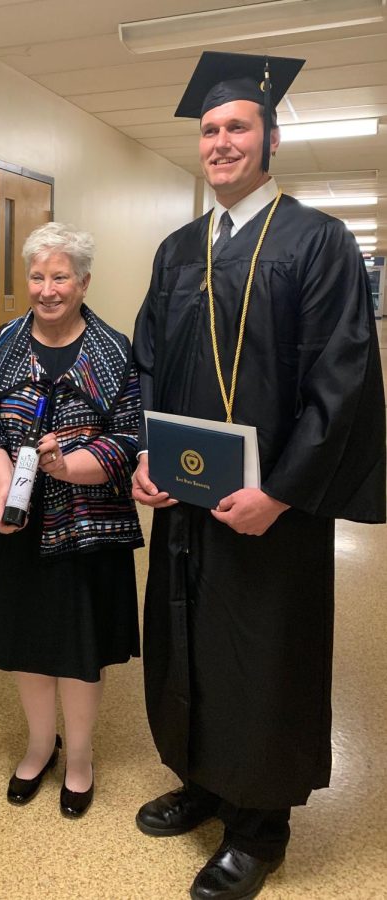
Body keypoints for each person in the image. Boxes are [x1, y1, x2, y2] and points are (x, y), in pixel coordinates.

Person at [132, 52, 386, 899]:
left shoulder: (318, 244)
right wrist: (144, 456)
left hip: (271, 509)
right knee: (190, 642)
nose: (220, 141)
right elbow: (146, 366)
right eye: (209, 130)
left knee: (262, 652)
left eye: (237, 126)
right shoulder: (176, 250)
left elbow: (342, 383)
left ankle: (259, 827)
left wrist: (279, 492)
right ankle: (204, 780)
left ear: (271, 137)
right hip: (187, 501)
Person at [0, 222, 143, 818]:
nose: (46, 288)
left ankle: (82, 757)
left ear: (84, 281)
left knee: (78, 647)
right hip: (13, 523)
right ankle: (41, 746)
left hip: (89, 523)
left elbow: (126, 439)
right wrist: (0, 484)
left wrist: (66, 466)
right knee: (28, 644)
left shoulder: (115, 349)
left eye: (60, 276)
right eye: (37, 276)